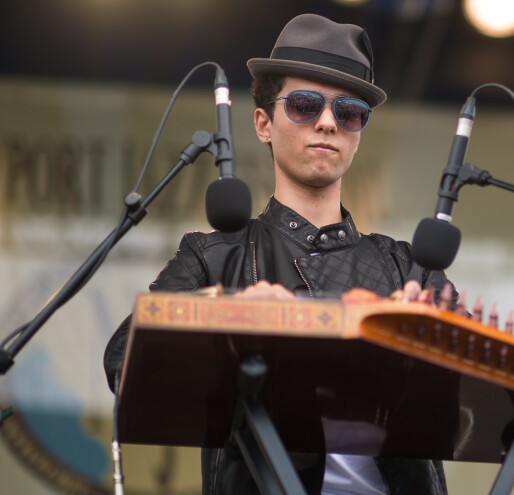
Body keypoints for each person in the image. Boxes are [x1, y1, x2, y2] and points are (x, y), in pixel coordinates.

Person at [104, 13, 454, 495]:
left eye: (349, 111)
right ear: (263, 123)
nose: (328, 123)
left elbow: (469, 399)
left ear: (358, 132)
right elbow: (124, 361)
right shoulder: (213, 257)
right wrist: (230, 316)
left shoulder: (408, 268)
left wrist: (426, 346)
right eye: (306, 106)